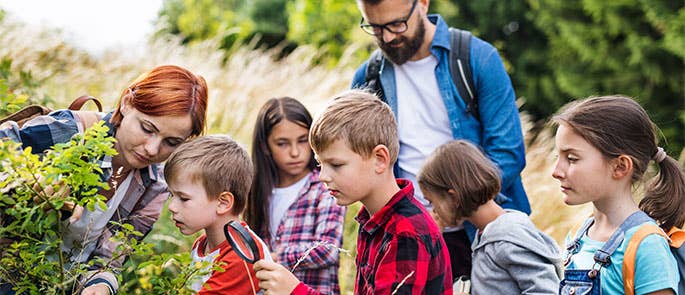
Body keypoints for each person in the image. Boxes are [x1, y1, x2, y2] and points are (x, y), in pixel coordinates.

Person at [350, 0, 529, 279]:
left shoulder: (477, 58)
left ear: (422, 3)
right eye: (374, 28)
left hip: (485, 233)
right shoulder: (367, 78)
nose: (387, 37)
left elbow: (508, 153)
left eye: (397, 24)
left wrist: (451, 207)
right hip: (408, 238)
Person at [0, 65, 208, 295]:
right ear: (127, 102)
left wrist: (101, 283)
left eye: (171, 142)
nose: (152, 149)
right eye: (147, 128)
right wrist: (31, 180)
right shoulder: (73, 131)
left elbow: (110, 257)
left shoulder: (155, 184)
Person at [253, 90, 452, 295]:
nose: (323, 176)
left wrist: (295, 291)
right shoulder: (374, 221)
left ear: (379, 159)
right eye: (321, 164)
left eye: (336, 165)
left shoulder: (405, 233)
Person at [552, 95, 682, 294]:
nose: (556, 171)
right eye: (557, 156)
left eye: (571, 159)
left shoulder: (647, 246)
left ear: (620, 166)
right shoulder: (577, 236)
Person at [418, 139, 562, 294]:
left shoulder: (506, 240)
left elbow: (547, 290)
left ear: (453, 197)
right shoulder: (486, 236)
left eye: (432, 202)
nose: (433, 211)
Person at [244, 97, 346, 294]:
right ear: (265, 146)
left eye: (302, 140)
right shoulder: (257, 192)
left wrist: (276, 257)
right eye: (282, 143)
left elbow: (329, 250)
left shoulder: (325, 187)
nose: (295, 152)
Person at [164, 135, 272, 294]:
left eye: (184, 198)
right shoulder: (202, 244)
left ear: (223, 203)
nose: (172, 206)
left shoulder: (241, 256)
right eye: (171, 195)